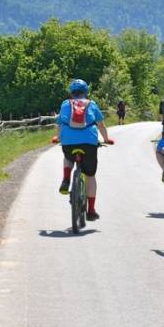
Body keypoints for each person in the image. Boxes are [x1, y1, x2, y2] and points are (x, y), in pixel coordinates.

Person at [57, 79, 114, 221]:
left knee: (68, 157)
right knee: (90, 176)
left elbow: (60, 123)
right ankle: (91, 211)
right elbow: (101, 124)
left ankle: (66, 179)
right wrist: (106, 139)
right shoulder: (91, 104)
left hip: (69, 141)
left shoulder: (65, 104)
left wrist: (57, 137)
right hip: (89, 142)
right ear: (86, 92)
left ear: (71, 92)